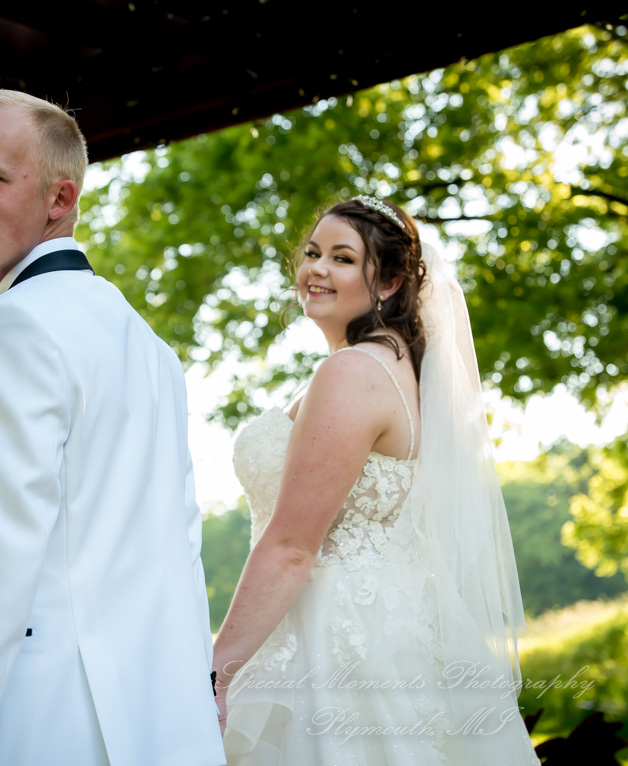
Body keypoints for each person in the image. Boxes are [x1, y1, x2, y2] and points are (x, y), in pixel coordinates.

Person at [0, 89, 226, 766]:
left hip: (32, 722)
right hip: (148, 721)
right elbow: (179, 554)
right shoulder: (147, 345)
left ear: (59, 200)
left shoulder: (14, 325)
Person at [212, 197, 541, 764]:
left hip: (334, 645)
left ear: (388, 284)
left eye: (342, 258)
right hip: (390, 627)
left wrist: (216, 671)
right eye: (313, 252)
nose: (316, 269)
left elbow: (292, 546)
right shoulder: (393, 367)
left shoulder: (353, 372)